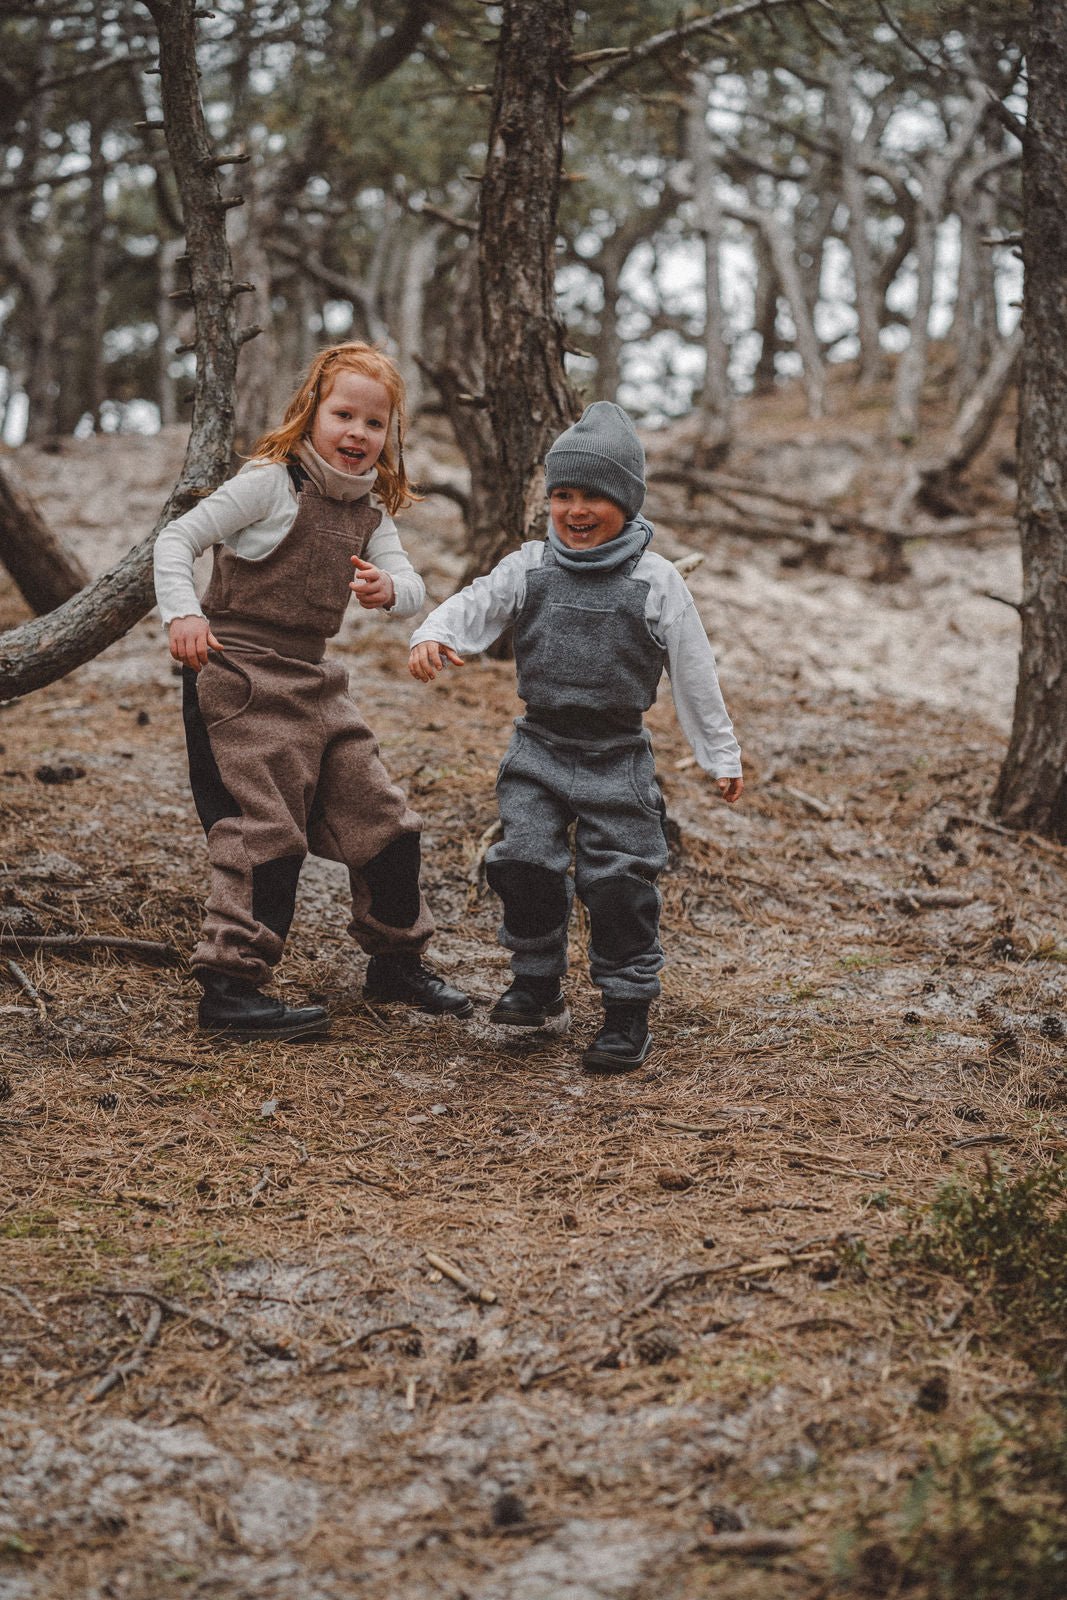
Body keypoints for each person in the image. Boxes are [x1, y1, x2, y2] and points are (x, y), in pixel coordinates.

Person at [409, 401, 742, 1073]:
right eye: (563, 494)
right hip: (538, 747)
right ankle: (536, 982)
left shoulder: (654, 580)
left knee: (617, 881)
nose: (576, 509)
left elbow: (693, 671)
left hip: (617, 756)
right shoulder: (530, 566)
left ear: (626, 499)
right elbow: (476, 602)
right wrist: (434, 633)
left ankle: (626, 1011)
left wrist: (719, 753)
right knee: (522, 862)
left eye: (593, 495)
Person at [154, 342, 472, 1041]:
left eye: (373, 423)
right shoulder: (269, 482)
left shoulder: (369, 510)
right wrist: (184, 612)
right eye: (343, 415)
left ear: (389, 437)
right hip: (237, 672)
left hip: (316, 679)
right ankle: (231, 990)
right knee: (265, 830)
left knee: (385, 819)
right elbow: (176, 541)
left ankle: (395, 963)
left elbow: (413, 583)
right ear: (309, 414)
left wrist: (391, 590)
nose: (356, 433)